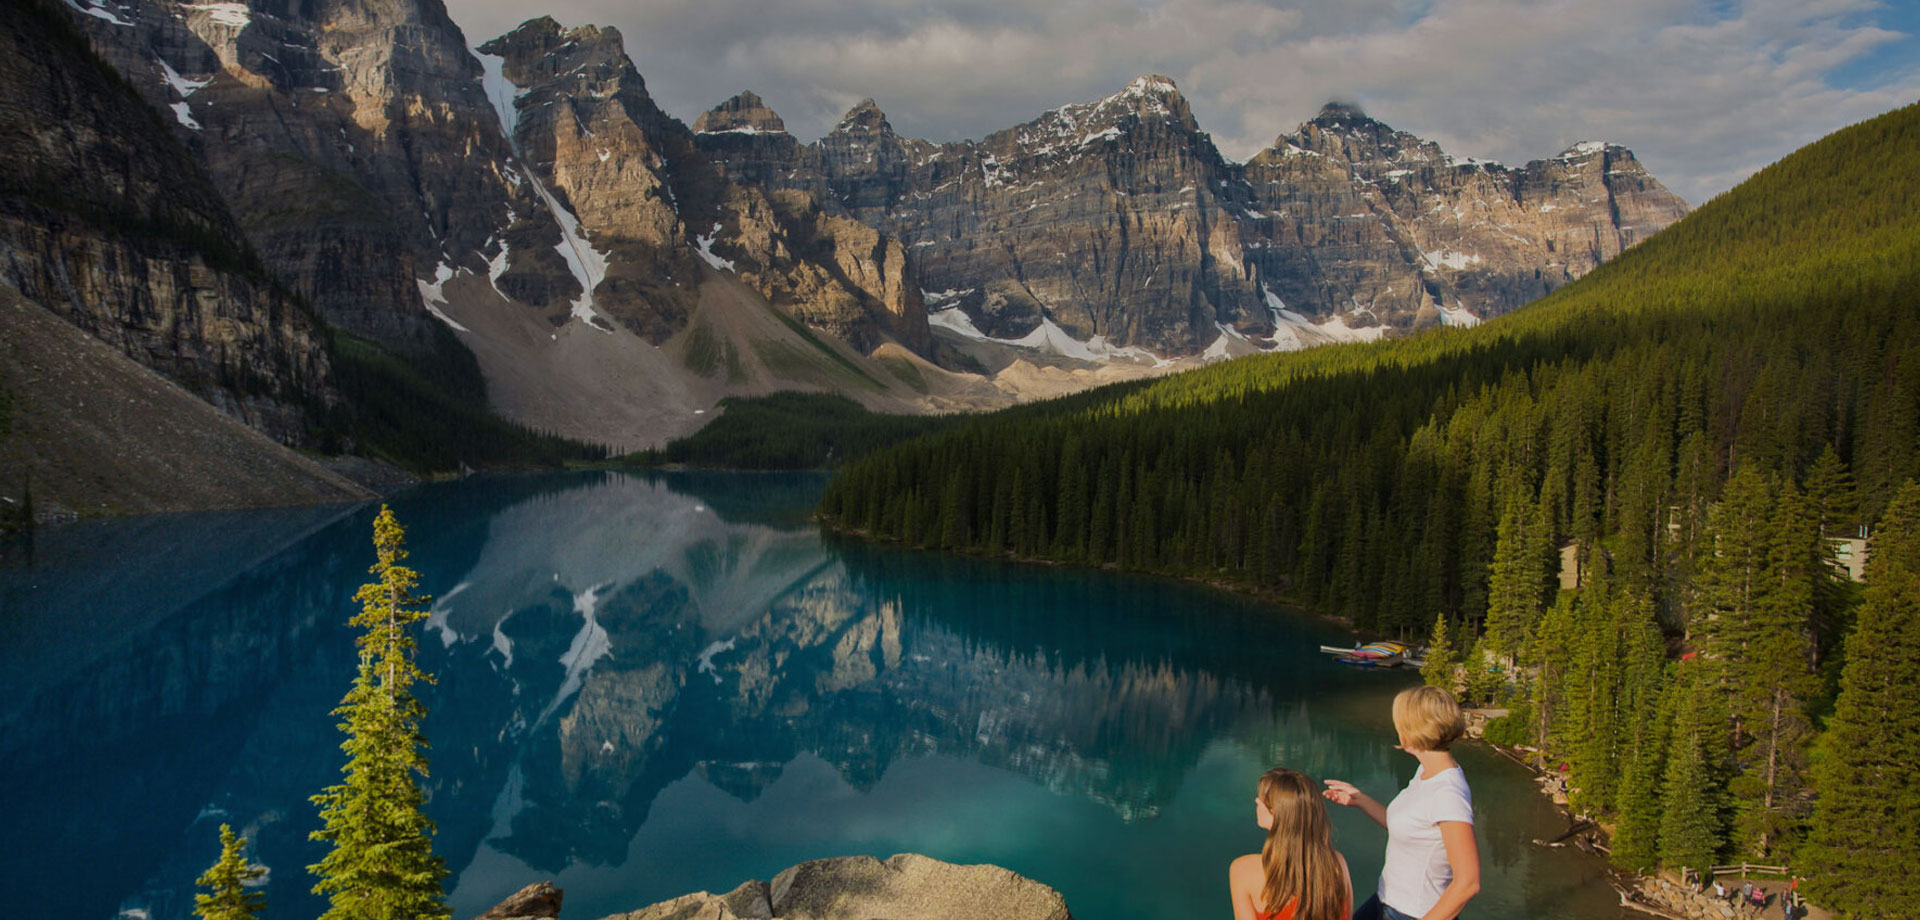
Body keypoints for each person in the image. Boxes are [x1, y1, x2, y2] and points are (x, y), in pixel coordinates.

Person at [1323, 686, 1481, 920]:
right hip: (1386, 900)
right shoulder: (1426, 772)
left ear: (1414, 728)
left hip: (1413, 913)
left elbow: (1468, 882)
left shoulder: (1448, 793)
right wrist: (1360, 799)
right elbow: (1410, 827)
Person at [1230, 767, 1355, 920]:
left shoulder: (1243, 870)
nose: (1257, 800)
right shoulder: (1337, 864)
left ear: (1278, 814)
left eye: (1263, 799)